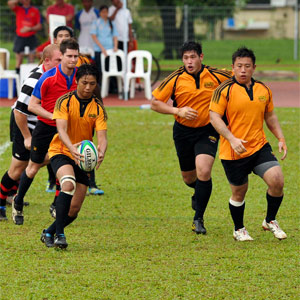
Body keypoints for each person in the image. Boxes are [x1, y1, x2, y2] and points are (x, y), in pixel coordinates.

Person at [151, 41, 232, 235]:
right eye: (186, 58)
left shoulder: (216, 75)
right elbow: (155, 103)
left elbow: (238, 78)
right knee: (189, 178)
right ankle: (199, 192)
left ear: (201, 57)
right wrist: (177, 110)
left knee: (204, 171)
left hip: (208, 130)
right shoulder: (175, 78)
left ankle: (198, 218)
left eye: (193, 57)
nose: (189, 61)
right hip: (183, 131)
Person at [209, 47, 287, 241]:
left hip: (259, 146)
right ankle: (239, 229)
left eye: (247, 66)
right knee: (239, 192)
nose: (243, 70)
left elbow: (270, 116)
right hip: (234, 151)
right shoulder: (223, 90)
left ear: (254, 68)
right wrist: (232, 139)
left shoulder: (263, 89)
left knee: (277, 181)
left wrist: (281, 138)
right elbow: (214, 118)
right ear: (232, 68)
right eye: (239, 66)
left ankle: (270, 220)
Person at [12, 39, 79, 225]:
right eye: (69, 56)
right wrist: (53, 117)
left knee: (64, 165)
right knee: (32, 168)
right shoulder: (47, 78)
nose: (73, 60)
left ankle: (58, 206)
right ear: (63, 57)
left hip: (65, 129)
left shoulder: (79, 78)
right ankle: (17, 201)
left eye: (76, 56)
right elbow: (32, 106)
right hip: (45, 129)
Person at [40, 64, 107, 249]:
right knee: (67, 183)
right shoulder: (64, 101)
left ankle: (49, 231)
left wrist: (101, 151)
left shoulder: (98, 107)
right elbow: (61, 129)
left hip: (83, 158)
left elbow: (102, 136)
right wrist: (71, 147)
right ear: (76, 81)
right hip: (61, 150)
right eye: (84, 83)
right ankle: (60, 236)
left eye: (92, 84)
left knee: (75, 209)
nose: (87, 87)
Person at [0, 45, 61, 221]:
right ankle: (1, 203)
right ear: (47, 61)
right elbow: (19, 111)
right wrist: (27, 136)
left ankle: (57, 205)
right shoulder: (35, 79)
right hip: (24, 123)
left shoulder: (62, 75)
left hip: (46, 125)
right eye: (58, 60)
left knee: (58, 159)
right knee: (17, 168)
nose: (63, 63)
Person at [7, 0, 42, 73]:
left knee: (31, 59)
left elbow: (39, 26)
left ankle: (29, 78)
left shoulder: (35, 10)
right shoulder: (18, 9)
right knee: (19, 60)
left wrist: (30, 29)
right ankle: (18, 77)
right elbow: (10, 3)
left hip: (31, 37)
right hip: (20, 37)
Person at [90, 5, 118, 83]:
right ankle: (100, 86)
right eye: (103, 12)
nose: (104, 14)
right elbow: (94, 36)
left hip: (110, 49)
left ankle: (111, 88)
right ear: (100, 13)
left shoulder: (111, 23)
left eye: (106, 12)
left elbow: (115, 36)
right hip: (99, 50)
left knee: (110, 68)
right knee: (100, 69)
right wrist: (102, 48)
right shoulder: (96, 22)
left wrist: (115, 46)